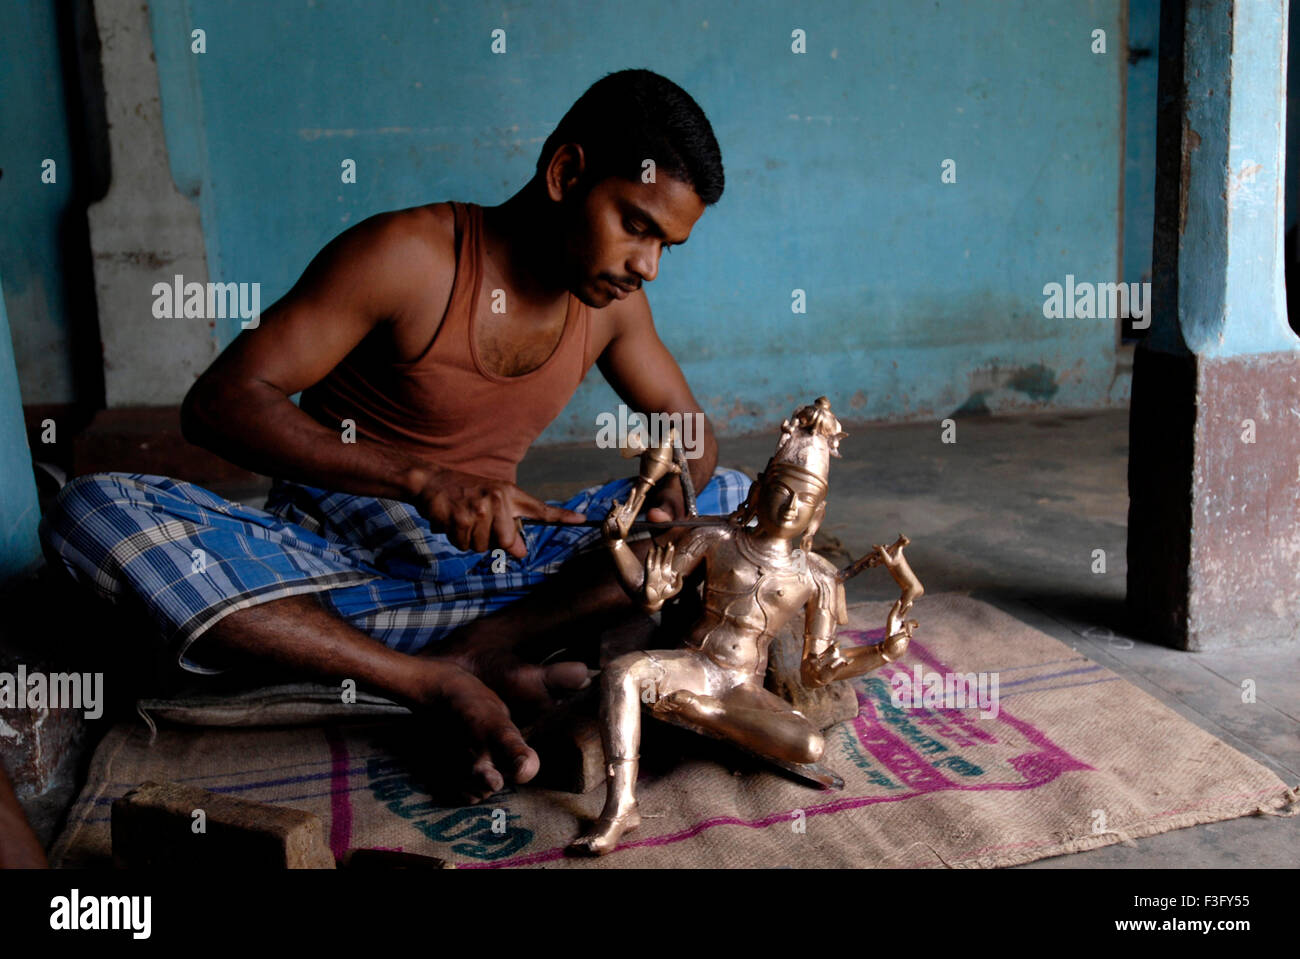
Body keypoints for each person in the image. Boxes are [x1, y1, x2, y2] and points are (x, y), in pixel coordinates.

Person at [40, 69, 749, 803]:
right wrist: (422, 479)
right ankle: (432, 680)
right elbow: (220, 403)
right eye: (636, 225)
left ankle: (471, 657)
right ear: (566, 173)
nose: (648, 266)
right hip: (336, 571)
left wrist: (671, 486)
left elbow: (686, 429)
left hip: (492, 581)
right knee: (91, 509)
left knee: (732, 505)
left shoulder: (612, 304)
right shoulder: (409, 254)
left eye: (667, 245)